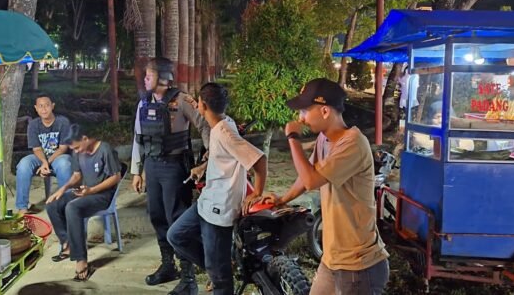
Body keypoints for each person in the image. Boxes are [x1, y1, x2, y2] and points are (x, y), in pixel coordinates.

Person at [259, 78, 390, 295]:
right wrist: (283, 199)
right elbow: (307, 175)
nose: (300, 118)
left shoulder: (353, 144)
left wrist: (293, 138)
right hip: (333, 258)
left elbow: (312, 181)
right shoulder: (324, 138)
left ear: (325, 111)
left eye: (304, 111)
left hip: (358, 265)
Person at [167, 83, 267, 295]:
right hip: (206, 202)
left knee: (221, 282)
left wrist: (257, 193)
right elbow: (222, 154)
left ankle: (220, 272)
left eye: (198, 103)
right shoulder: (222, 122)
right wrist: (203, 167)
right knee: (176, 235)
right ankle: (220, 266)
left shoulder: (224, 132)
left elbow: (260, 160)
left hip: (220, 211)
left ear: (203, 105)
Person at [130, 57, 210, 293]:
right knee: (157, 217)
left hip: (175, 167)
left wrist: (208, 158)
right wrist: (137, 171)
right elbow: (138, 138)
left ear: (163, 77)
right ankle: (168, 266)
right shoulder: (144, 103)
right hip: (152, 166)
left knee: (177, 219)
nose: (145, 79)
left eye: (149, 75)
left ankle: (188, 279)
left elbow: (205, 126)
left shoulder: (182, 100)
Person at [45, 124, 122, 282]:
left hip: (102, 195)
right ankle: (68, 243)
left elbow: (116, 177)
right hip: (85, 191)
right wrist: (62, 189)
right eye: (74, 149)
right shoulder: (77, 152)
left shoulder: (105, 149)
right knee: (53, 203)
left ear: (85, 139)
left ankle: (81, 260)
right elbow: (76, 176)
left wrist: (92, 190)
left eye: (77, 147)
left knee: (72, 208)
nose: (76, 151)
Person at [16, 94, 72, 213]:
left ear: (52, 106)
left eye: (47, 105)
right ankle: (22, 207)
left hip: (58, 157)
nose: (44, 109)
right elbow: (36, 149)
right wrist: (43, 162)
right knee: (23, 164)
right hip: (40, 156)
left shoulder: (62, 122)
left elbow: (63, 148)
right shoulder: (33, 124)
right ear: (36, 108)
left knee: (65, 164)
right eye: (40, 106)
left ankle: (66, 205)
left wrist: (46, 163)